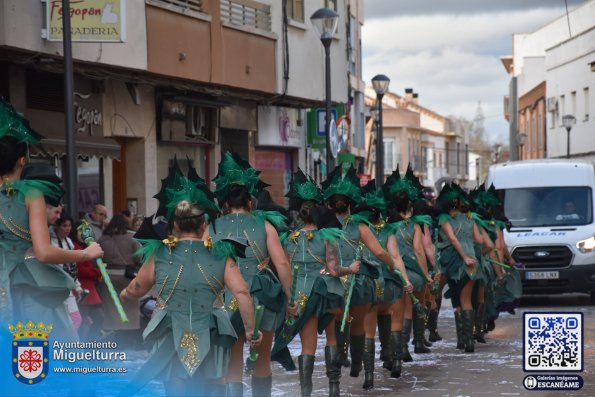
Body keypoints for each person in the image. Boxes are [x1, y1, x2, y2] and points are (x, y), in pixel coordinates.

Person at [120, 170, 262, 397]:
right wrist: (250, 330)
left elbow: (137, 289)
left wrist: (125, 295)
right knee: (215, 382)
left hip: (171, 331)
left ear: (174, 224)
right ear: (204, 224)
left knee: (176, 386)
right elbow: (242, 292)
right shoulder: (221, 253)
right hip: (212, 329)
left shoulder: (159, 253)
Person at [0, 97, 103, 340]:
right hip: (31, 284)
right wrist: (86, 254)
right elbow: (44, 252)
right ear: (22, 161)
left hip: (5, 285)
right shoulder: (30, 193)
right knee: (57, 359)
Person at [209, 152, 293, 397]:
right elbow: (282, 264)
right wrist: (292, 299)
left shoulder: (212, 228)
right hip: (261, 300)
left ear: (224, 202)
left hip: (226, 300)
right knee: (262, 360)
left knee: (232, 363)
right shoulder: (265, 226)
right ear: (250, 200)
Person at [271, 169, 359, 397]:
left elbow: (285, 268)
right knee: (331, 339)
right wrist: (350, 269)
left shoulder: (287, 239)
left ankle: (306, 394)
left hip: (301, 296)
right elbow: (333, 268)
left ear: (299, 214)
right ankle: (334, 389)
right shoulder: (327, 235)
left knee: (307, 346)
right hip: (325, 291)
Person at [358, 180, 413, 387]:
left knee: (368, 332)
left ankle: (369, 376)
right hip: (390, 283)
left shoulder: (360, 230)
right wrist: (405, 279)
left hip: (369, 284)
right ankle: (396, 361)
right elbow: (395, 256)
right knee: (396, 322)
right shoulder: (389, 229)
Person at [435, 182, 484, 353]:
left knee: (458, 299)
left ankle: (462, 340)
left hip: (454, 262)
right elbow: (480, 240)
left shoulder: (443, 219)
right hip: (472, 260)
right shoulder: (470, 219)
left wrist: (463, 256)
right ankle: (468, 341)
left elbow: (452, 238)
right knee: (467, 300)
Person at [97, 213, 142, 334]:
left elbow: (96, 259)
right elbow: (140, 258)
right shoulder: (132, 236)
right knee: (130, 308)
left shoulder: (102, 238)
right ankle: (127, 335)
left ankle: (113, 335)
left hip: (108, 276)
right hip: (127, 276)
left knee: (111, 309)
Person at [51, 215, 85, 331]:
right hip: (55, 286)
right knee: (67, 321)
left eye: (69, 225)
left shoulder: (69, 242)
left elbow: (72, 266)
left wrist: (77, 286)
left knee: (75, 320)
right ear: (57, 226)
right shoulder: (50, 242)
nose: (68, 228)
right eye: (64, 225)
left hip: (67, 286)